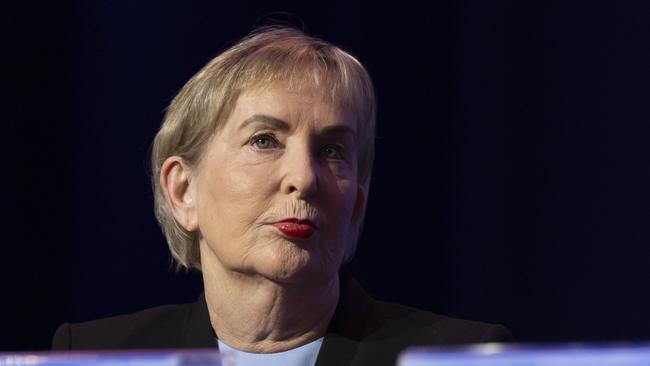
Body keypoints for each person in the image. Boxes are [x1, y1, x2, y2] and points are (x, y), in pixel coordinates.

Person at [52, 26, 512, 366]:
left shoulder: (459, 359)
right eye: (265, 140)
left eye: (332, 151)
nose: (304, 178)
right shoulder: (93, 357)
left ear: (358, 202)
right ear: (183, 190)